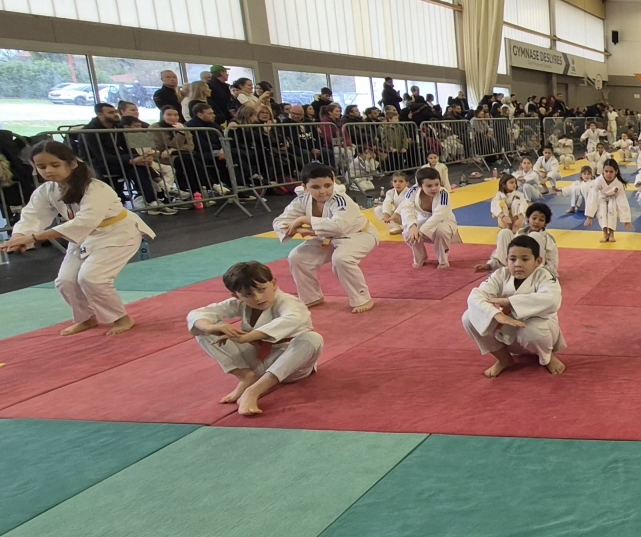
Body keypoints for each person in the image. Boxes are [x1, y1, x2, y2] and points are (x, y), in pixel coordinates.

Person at [1, 141, 156, 336]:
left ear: (72, 163)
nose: (48, 171)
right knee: (65, 281)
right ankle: (86, 318)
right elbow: (32, 216)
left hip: (117, 233)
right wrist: (18, 237)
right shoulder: (46, 191)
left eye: (55, 165)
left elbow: (85, 221)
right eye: (41, 166)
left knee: (92, 278)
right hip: (83, 237)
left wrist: (34, 237)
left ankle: (121, 318)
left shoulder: (95, 188)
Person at [187, 261, 323, 416]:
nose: (258, 298)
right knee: (203, 329)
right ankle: (245, 376)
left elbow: (293, 318)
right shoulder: (239, 304)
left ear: (274, 284)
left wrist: (247, 337)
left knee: (313, 338)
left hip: (291, 365)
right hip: (258, 361)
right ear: (236, 296)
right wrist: (210, 328)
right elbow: (197, 314)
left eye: (262, 290)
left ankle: (253, 392)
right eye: (248, 295)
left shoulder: (289, 302)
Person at [272, 165, 377, 313]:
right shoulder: (302, 200)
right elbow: (279, 222)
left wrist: (305, 219)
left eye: (328, 185)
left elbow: (339, 226)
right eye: (315, 187)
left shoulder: (341, 200)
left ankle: (362, 298)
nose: (323, 191)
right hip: (327, 238)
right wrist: (298, 229)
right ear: (305, 187)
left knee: (341, 259)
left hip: (358, 235)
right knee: (297, 258)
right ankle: (311, 297)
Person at [464, 235, 566, 377]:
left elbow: (552, 300)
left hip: (540, 334)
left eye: (525, 259)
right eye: (513, 259)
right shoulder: (501, 274)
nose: (518, 264)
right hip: (508, 332)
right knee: (469, 317)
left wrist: (510, 302)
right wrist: (496, 314)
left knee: (532, 331)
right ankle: (504, 359)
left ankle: (547, 357)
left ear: (538, 261)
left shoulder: (545, 276)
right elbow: (475, 296)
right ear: (507, 261)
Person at [400, 166, 459, 268]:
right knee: (408, 233)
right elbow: (406, 209)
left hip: (444, 221)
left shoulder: (444, 193)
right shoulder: (412, 191)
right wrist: (412, 226)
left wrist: (421, 230)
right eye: (429, 186)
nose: (434, 188)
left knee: (441, 231)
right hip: (423, 219)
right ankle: (420, 258)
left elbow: (439, 215)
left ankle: (443, 261)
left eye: (436, 184)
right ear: (420, 186)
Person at [585, 158, 633, 243]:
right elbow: (592, 197)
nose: (608, 174)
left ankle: (611, 233)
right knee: (602, 210)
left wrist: (626, 220)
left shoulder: (618, 184)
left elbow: (622, 202)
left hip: (613, 198)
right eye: (606, 171)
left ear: (616, 171)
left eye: (611, 172)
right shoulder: (598, 181)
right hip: (601, 197)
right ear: (602, 171)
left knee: (612, 208)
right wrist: (590, 216)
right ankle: (605, 233)